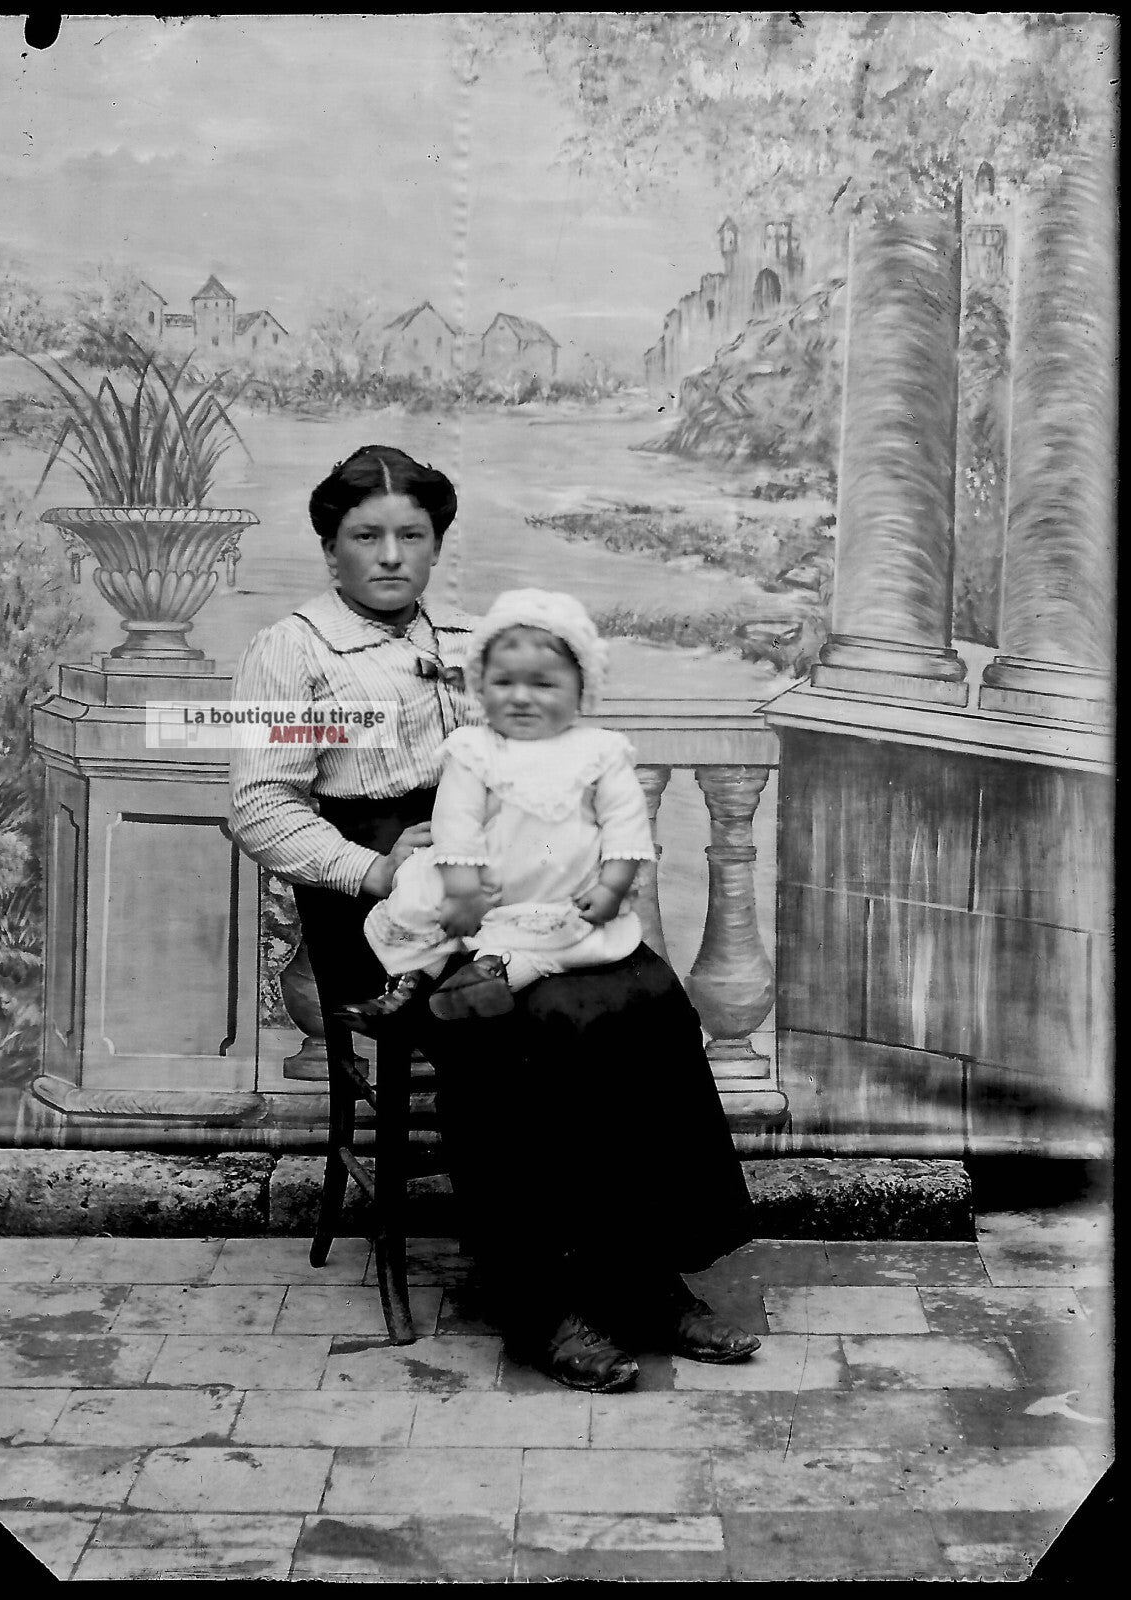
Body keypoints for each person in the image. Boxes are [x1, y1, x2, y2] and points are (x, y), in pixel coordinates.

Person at [229, 444, 761, 1394]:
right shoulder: (290, 648)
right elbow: (262, 809)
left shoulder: (482, 635)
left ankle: (640, 1272)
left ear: (437, 546)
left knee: (646, 997)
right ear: (329, 547)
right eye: (365, 537)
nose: (390, 556)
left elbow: (560, 746)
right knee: (522, 1021)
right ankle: (534, 1298)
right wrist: (375, 867)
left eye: (412, 536)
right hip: (392, 913)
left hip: (514, 885)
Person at [335, 588, 656, 1030]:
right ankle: (410, 982)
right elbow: (456, 822)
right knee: (418, 890)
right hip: (481, 875)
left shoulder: (600, 752)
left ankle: (496, 972)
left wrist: (612, 887)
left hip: (559, 881)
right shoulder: (475, 749)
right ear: (482, 688)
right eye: (504, 684)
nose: (521, 698)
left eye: (543, 684)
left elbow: (627, 826)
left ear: (582, 688)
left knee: (574, 931)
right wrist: (463, 889)